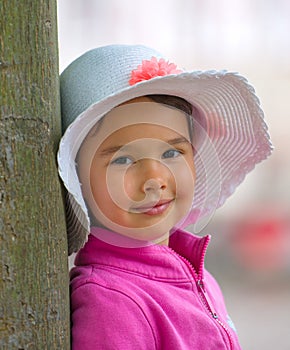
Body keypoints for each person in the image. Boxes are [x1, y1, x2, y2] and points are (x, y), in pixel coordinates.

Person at [57, 44, 272, 349]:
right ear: (78, 179)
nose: (154, 180)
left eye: (172, 152)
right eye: (122, 160)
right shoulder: (112, 302)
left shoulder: (196, 273)